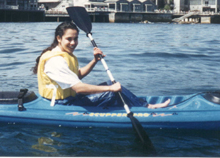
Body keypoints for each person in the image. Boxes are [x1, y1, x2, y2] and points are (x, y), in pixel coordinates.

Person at [33, 21, 170, 108]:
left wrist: (94, 61)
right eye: (69, 39)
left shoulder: (63, 54)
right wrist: (110, 89)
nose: (73, 43)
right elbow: (79, 88)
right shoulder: (55, 60)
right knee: (111, 92)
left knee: (109, 84)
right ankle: (146, 108)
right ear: (59, 38)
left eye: (75, 39)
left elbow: (77, 76)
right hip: (62, 103)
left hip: (70, 98)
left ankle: (141, 104)